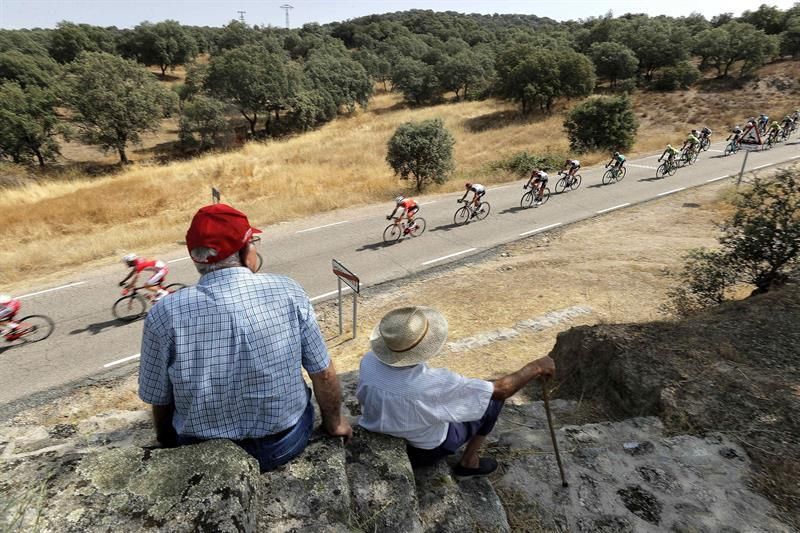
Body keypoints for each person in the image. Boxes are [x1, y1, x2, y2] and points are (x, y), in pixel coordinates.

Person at [138, 203, 352, 472]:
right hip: (283, 444)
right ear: (244, 251)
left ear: (196, 258)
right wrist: (335, 424)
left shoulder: (164, 313)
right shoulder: (287, 290)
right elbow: (323, 373)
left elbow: (159, 398)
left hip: (204, 455)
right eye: (253, 242)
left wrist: (169, 445)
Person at [356, 306, 556, 476]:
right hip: (422, 450)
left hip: (376, 429)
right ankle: (470, 461)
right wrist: (535, 367)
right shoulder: (433, 383)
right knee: (491, 401)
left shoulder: (368, 361)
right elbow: (499, 391)